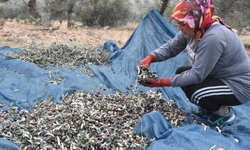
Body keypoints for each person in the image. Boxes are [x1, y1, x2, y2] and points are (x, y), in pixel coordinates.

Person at [138, 0, 250, 128]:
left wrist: (162, 82)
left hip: (238, 86)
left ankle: (225, 115)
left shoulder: (213, 37)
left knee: (196, 92)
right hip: (219, 76)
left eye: (182, 24)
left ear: (196, 20)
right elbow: (172, 47)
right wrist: (151, 57)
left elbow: (197, 76)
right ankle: (210, 107)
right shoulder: (196, 28)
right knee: (181, 72)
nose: (179, 28)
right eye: (179, 23)